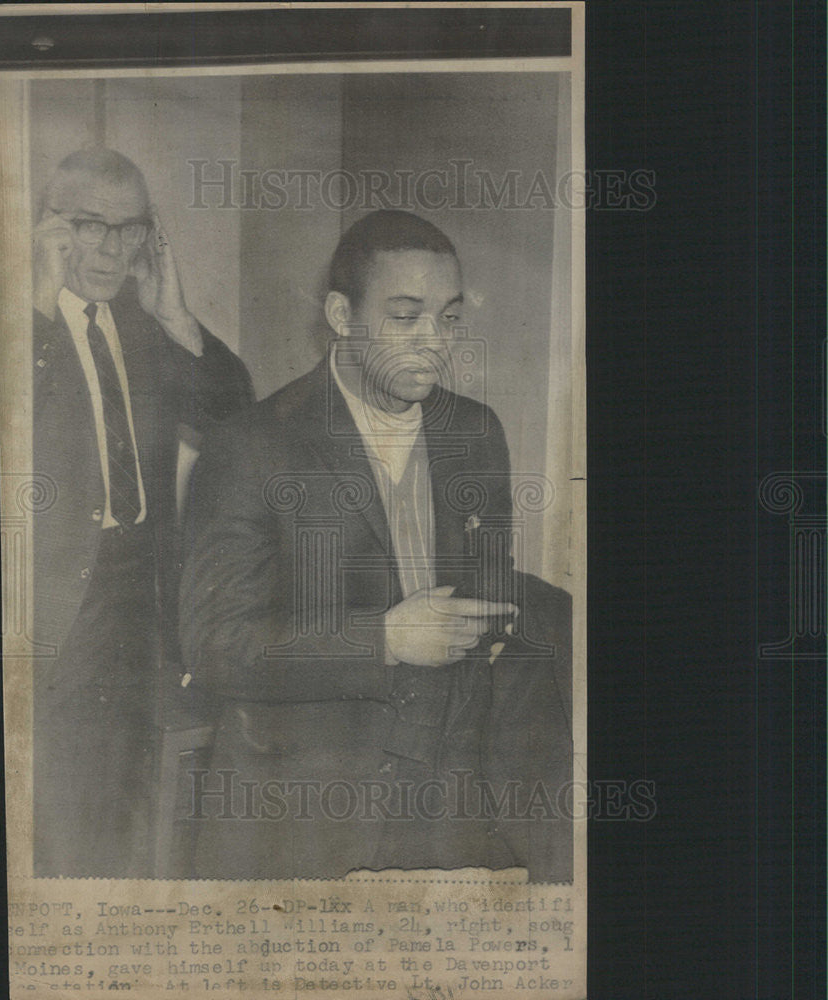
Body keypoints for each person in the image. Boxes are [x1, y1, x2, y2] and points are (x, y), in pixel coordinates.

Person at [180, 210, 571, 881]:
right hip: (301, 809)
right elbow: (215, 646)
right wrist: (383, 640)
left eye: (448, 317)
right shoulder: (250, 446)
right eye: (405, 315)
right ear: (341, 314)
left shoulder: (475, 431)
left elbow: (490, 586)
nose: (434, 342)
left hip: (450, 804)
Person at [31, 147, 253, 877]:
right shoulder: (18, 322)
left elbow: (235, 419)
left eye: (130, 229)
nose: (112, 249)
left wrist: (177, 316)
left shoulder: (143, 325)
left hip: (145, 599)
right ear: (50, 227)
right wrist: (29, 310)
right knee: (53, 812)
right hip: (52, 607)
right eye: (91, 225)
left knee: (131, 807)